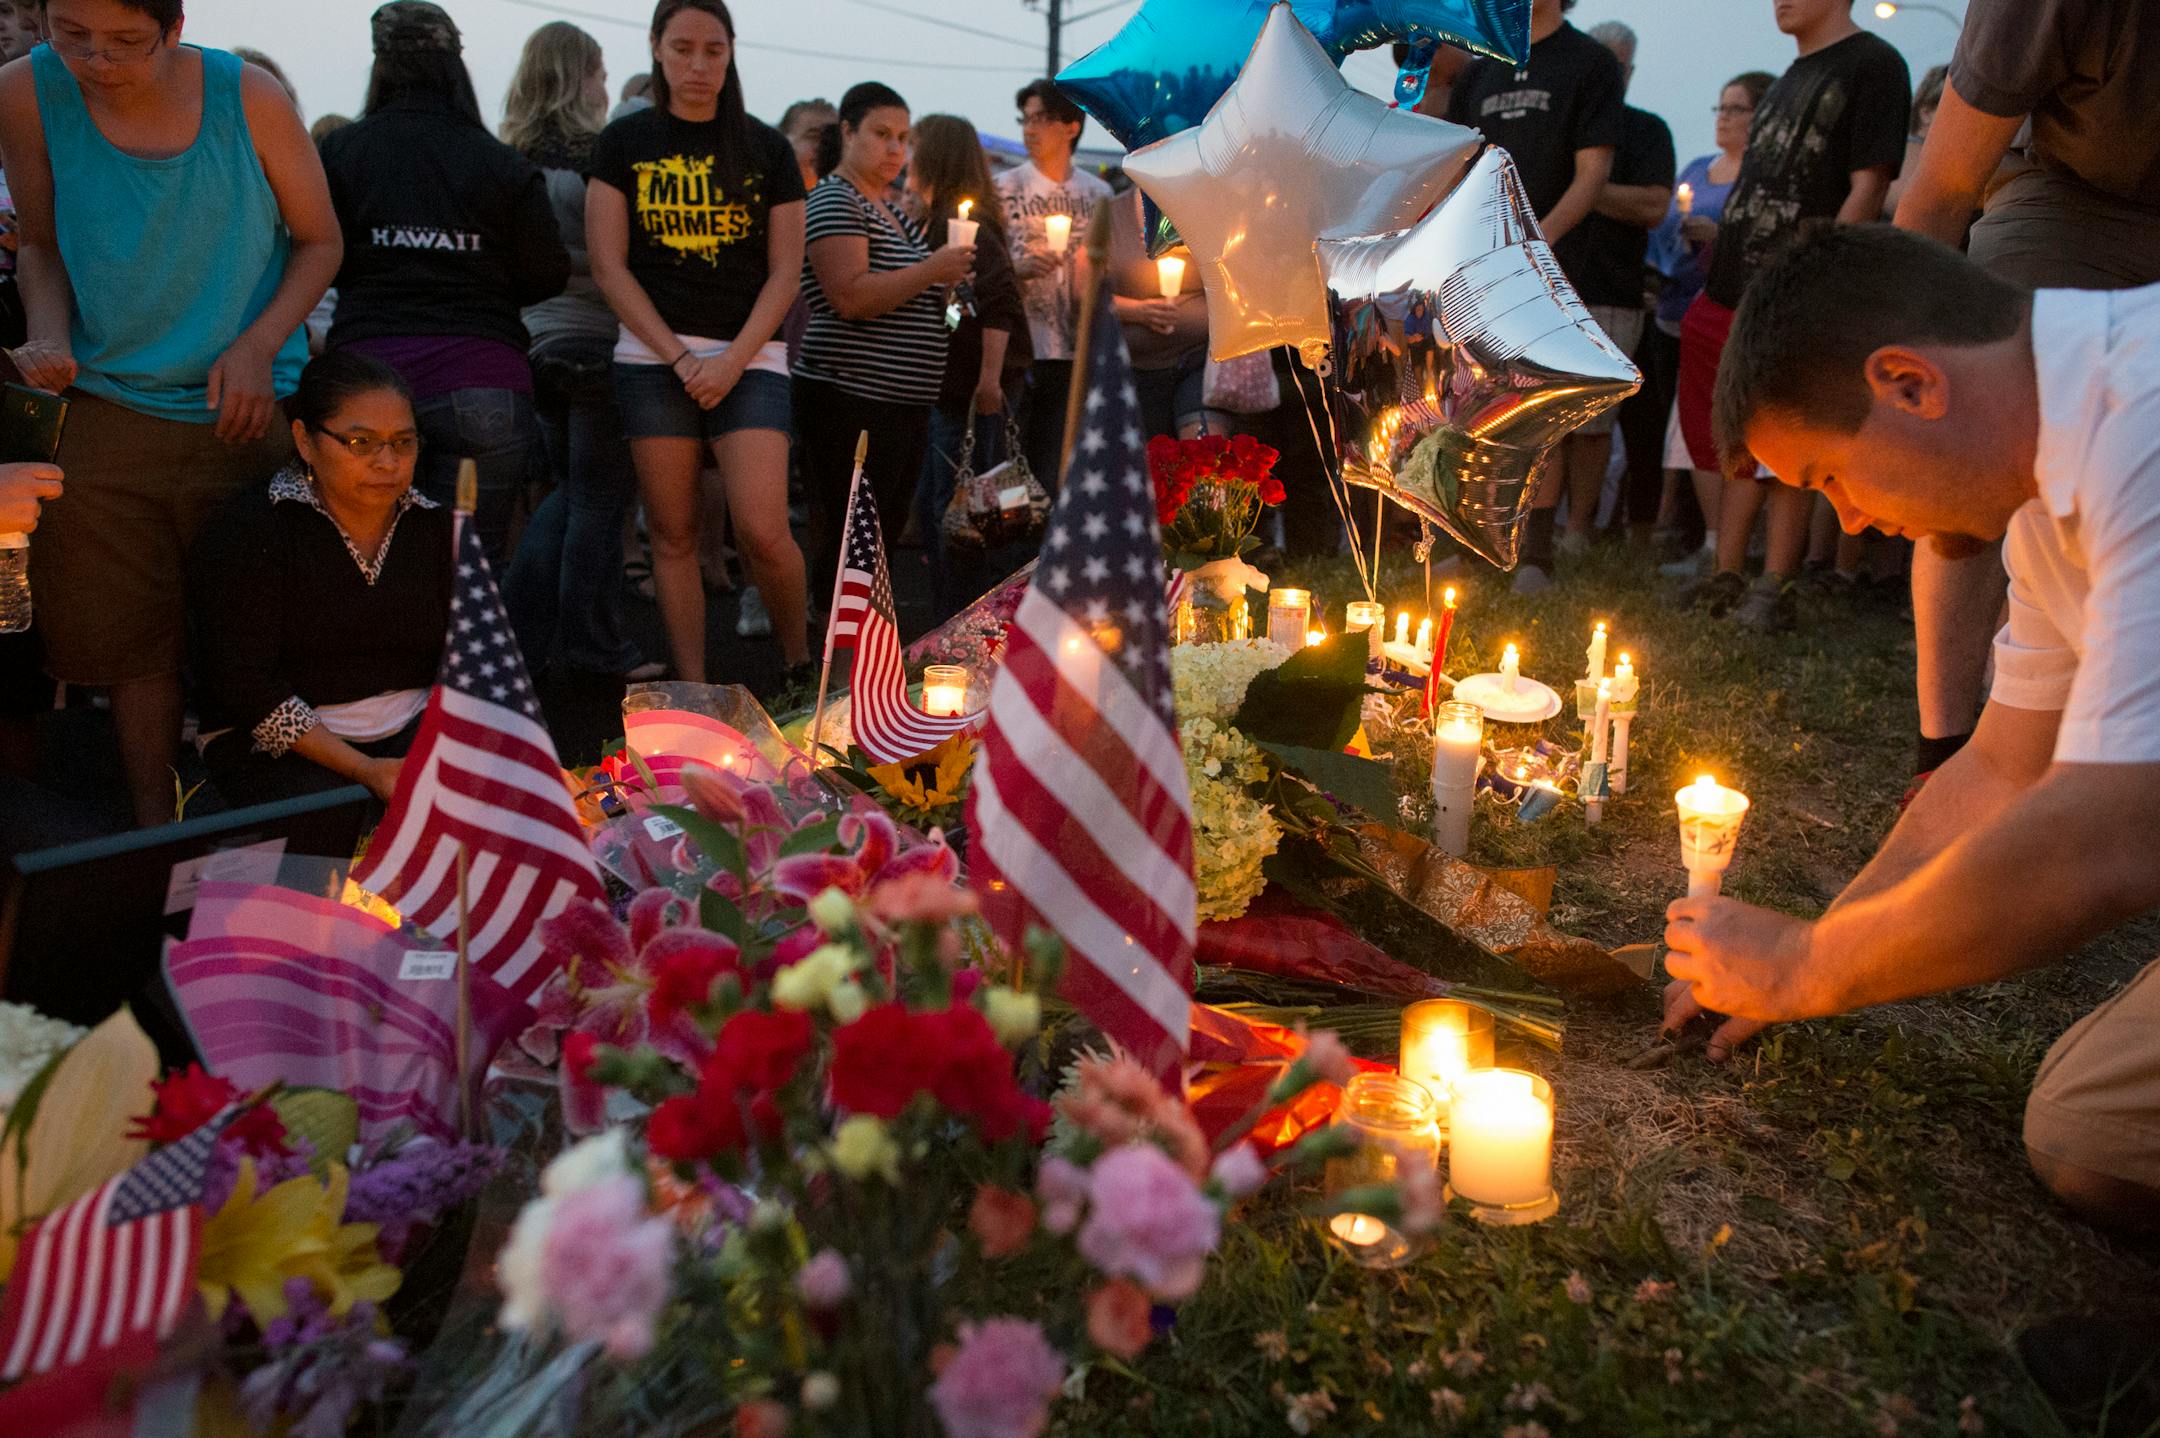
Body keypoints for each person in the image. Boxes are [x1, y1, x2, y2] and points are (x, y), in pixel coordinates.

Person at [1668, 227, 2160, 1281]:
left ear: (1909, 385)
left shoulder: (2145, 423)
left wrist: (1812, 970)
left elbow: (2115, 834)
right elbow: (2002, 767)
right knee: (2092, 1133)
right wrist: (1820, 934)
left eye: (1833, 476)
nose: (1854, 517)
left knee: (2090, 1141)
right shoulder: (2036, 486)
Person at [1, 0, 341, 828]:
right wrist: (46, 339)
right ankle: (159, 837)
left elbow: (320, 239)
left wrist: (261, 344)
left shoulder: (249, 97)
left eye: (124, 42)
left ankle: (280, 829)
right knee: (130, 648)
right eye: (70, 34)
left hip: (243, 402)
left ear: (176, 25)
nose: (95, 59)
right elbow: (39, 245)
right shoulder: (21, 92)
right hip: (107, 405)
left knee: (257, 634)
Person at [1893, 0, 2160, 786]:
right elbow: (1941, 187)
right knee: (1989, 415)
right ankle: (1945, 745)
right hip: (2072, 197)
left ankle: (2079, 715)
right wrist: (1896, 377)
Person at [589, 0, 808, 685]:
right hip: (653, 359)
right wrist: (683, 359)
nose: (698, 64)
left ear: (731, 53)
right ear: (656, 48)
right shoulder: (623, 143)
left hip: (753, 355)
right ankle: (694, 685)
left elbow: (786, 271)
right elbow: (609, 266)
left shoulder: (767, 148)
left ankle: (803, 665)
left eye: (713, 50)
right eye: (683, 48)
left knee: (763, 529)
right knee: (674, 534)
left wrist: (732, 360)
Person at [1676, 0, 1909, 634]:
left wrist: (1821, 282)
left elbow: (1869, 184)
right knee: (1741, 436)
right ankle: (1727, 571)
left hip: (1795, 286)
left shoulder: (1872, 64)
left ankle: (1774, 585)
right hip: (1735, 288)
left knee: (1790, 442)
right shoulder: (1784, 82)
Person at [318, 2, 569, 569]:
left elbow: (316, 256)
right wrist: (477, 278)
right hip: (483, 385)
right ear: (457, 66)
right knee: (468, 582)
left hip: (365, 383)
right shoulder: (500, 162)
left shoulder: (341, 153)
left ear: (380, 65)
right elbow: (547, 270)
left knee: (363, 570)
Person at [188, 351, 448, 808]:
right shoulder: (254, 529)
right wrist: (366, 770)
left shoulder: (435, 526)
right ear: (305, 440)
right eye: (360, 442)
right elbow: (244, 684)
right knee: (331, 829)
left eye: (403, 443)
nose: (387, 462)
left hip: (413, 730)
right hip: (280, 747)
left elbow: (470, 656)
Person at [1446, 0, 1624, 592]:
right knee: (1481, 407)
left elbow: (1592, 173)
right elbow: (1462, 167)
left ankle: (1537, 552)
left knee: (1541, 408)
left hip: (1551, 264)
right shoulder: (1481, 68)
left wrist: (1531, 246)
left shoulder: (1590, 61)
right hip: (1479, 265)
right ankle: (1476, 542)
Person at [497, 20, 645, 689]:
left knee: (569, 495)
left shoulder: (512, 158)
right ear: (576, 75)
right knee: (594, 501)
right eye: (599, 70)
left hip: (535, 341)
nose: (606, 84)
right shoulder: (602, 157)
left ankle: (526, 642)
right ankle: (585, 649)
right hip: (597, 339)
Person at [796, 81, 970, 601]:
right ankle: (836, 665)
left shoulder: (890, 207)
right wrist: (932, 269)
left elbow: (920, 303)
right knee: (853, 544)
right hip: (851, 398)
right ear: (847, 133)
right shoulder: (834, 197)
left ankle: (859, 658)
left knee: (879, 541)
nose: (895, 149)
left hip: (900, 401)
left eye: (903, 138)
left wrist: (949, 293)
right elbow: (850, 296)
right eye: (881, 134)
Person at [1654, 70, 1775, 578]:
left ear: (1761, 116)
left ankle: (1741, 545)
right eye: (1720, 108)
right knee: (1695, 425)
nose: (1723, 118)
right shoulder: (1701, 169)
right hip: (1688, 306)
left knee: (1742, 424)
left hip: (1744, 311)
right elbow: (1663, 230)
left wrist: (1719, 236)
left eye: (1736, 108)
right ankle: (1710, 539)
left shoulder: (1764, 176)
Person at [908, 113, 1026, 621]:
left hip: (973, 388)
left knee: (966, 507)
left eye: (913, 147)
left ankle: (963, 619)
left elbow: (999, 303)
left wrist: (989, 382)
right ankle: (964, 612)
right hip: (953, 384)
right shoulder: (937, 221)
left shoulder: (966, 226)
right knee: (954, 503)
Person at [1575, 20, 1674, 552]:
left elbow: (1654, 207)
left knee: (1594, 424)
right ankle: (1534, 533)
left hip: (1613, 288)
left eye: (1618, 63)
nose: (1608, 72)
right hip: (1547, 283)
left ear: (1630, 70)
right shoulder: (1565, 119)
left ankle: (1576, 532)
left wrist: (1582, 187)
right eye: (1599, 60)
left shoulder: (1647, 130)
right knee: (1538, 422)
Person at [997, 79, 1110, 486]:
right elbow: (991, 264)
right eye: (1025, 120)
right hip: (1021, 343)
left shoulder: (1098, 193)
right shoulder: (1006, 188)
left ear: (1071, 127)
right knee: (1013, 456)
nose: (1030, 129)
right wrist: (1019, 266)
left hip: (1076, 346)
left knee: (1057, 458)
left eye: (1042, 119)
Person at [1107, 185, 1212, 444]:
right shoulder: (1111, 213)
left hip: (1199, 362)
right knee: (1154, 459)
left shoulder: (1203, 209)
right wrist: (1139, 312)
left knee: (1200, 452)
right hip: (1136, 370)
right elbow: (1085, 294)